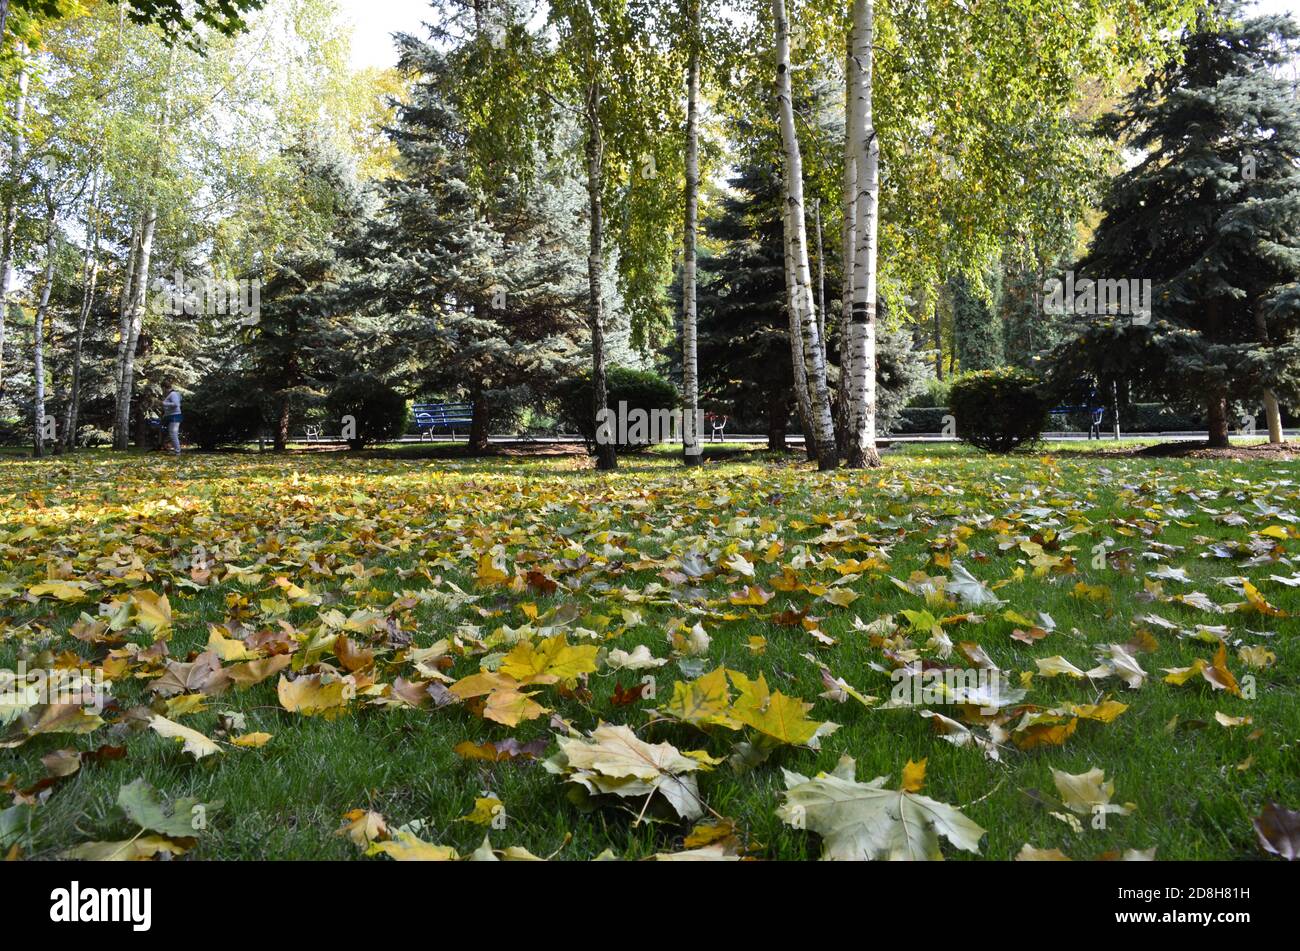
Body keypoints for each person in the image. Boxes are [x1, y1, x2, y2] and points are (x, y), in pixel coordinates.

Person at [162, 384, 183, 456]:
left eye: (163, 388)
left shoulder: (173, 394)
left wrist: (164, 403)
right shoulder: (171, 394)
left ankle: (177, 452)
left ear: (164, 388)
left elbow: (176, 404)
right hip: (171, 416)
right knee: (171, 434)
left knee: (173, 434)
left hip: (175, 416)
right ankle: (174, 450)